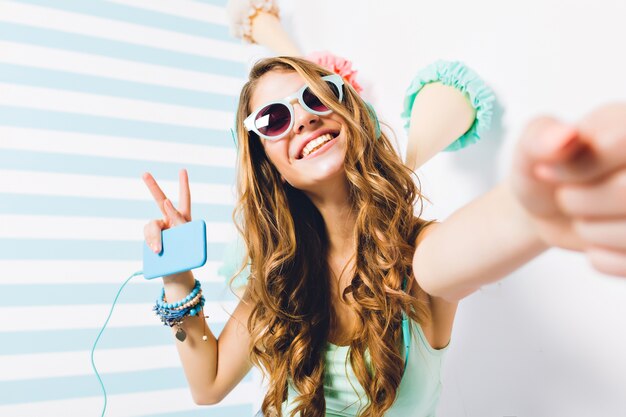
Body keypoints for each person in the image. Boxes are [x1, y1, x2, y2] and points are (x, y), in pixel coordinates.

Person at [142, 56, 626, 417]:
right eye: (274, 119)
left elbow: (470, 243)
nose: (305, 117)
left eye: (316, 96)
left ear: (347, 112)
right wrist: (177, 276)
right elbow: (207, 385)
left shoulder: (419, 258)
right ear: (271, 167)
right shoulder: (278, 283)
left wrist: (535, 206)